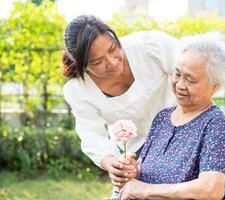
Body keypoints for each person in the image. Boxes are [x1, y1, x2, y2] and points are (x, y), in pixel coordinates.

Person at [61, 15, 179, 198]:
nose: (112, 62)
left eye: (113, 48)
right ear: (81, 64)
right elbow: (91, 135)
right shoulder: (80, 91)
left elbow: (193, 75)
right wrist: (111, 163)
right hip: (135, 151)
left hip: (182, 134)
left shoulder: (150, 47)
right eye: (97, 61)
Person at [119, 31, 225, 200]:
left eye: (190, 80)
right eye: (177, 74)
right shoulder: (163, 117)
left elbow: (211, 189)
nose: (180, 84)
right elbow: (151, 169)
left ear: (214, 86)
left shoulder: (214, 124)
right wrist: (135, 169)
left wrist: (145, 190)